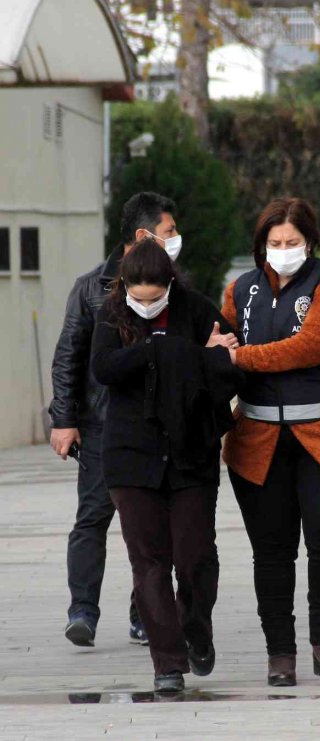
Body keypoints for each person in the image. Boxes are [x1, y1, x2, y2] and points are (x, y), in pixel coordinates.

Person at [221, 198, 320, 687]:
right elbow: (217, 343)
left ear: (311, 241)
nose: (283, 251)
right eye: (274, 243)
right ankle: (279, 654)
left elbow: (313, 346)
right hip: (257, 441)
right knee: (272, 552)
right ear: (261, 243)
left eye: (293, 243)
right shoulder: (240, 290)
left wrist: (243, 358)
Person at [91, 239, 242, 693]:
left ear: (170, 285)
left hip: (190, 453)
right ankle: (167, 663)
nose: (146, 303)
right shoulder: (111, 313)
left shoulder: (196, 310)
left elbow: (231, 365)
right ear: (124, 287)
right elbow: (103, 368)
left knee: (195, 556)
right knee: (149, 563)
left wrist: (198, 353)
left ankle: (196, 627)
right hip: (131, 459)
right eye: (138, 296)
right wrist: (163, 349)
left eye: (155, 296)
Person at [50, 191, 181, 648]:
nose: (176, 239)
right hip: (103, 425)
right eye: (169, 232)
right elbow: (68, 356)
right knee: (93, 517)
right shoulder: (92, 287)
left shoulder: (176, 288)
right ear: (143, 236)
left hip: (157, 426)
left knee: (151, 525)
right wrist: (64, 419)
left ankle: (144, 613)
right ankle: (82, 611)